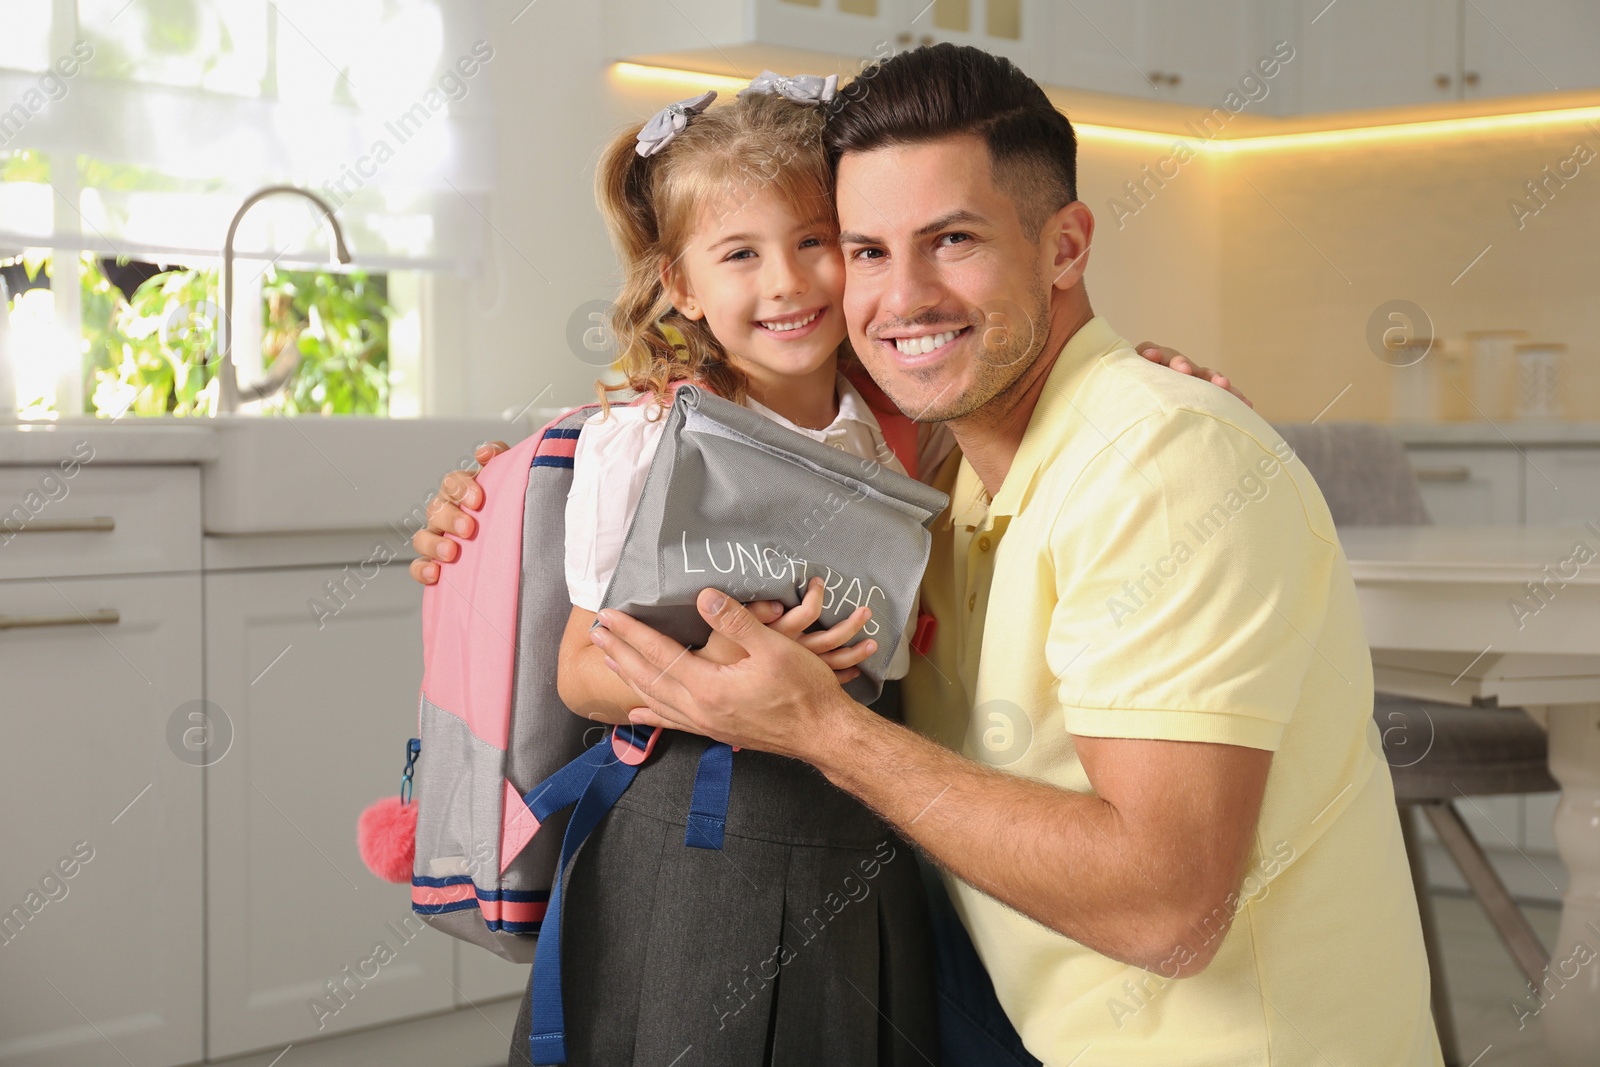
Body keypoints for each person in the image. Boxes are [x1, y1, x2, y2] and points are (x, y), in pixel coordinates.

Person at [577, 45, 1444, 1067]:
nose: (901, 297)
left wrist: (821, 729)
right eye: (863, 250)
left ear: (1064, 247)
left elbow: (1167, 911)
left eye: (951, 240)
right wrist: (494, 492)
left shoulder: (1161, 464)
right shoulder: (943, 481)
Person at [411, 61, 1263, 1067]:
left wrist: (1130, 378)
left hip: (865, 825)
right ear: (679, 284)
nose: (786, 280)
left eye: (818, 243)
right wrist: (749, 684)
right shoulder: (652, 437)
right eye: (739, 254)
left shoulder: (903, 428)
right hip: (706, 829)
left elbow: (1042, 420)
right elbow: (579, 666)